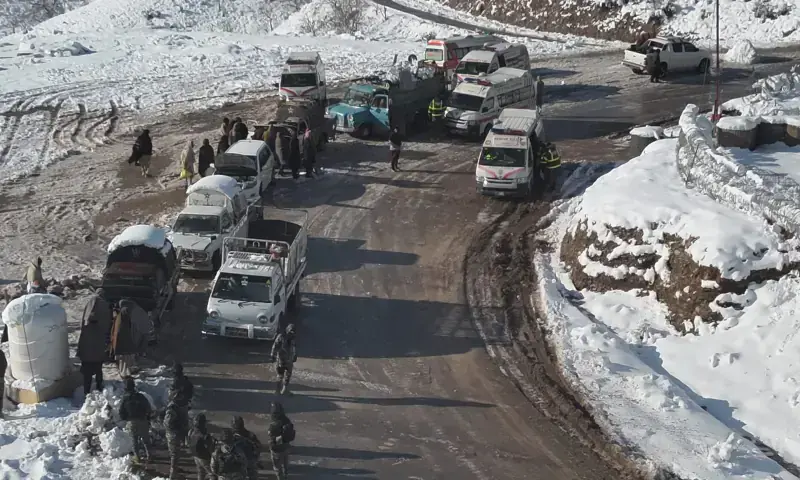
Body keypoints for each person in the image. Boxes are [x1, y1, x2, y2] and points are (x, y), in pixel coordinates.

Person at [77, 304, 108, 397]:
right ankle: (99, 388)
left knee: (87, 376)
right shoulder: (101, 330)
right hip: (98, 357)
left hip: (86, 358)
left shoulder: (85, 330)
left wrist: (79, 353)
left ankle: (86, 392)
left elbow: (81, 343)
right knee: (99, 372)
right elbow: (104, 343)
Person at [119, 377, 152, 464]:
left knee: (134, 440)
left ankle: (137, 457)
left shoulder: (125, 398)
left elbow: (121, 412)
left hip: (132, 422)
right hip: (143, 420)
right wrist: (147, 417)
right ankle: (150, 456)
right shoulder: (140, 396)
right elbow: (148, 408)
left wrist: (126, 419)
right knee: (146, 440)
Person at [268, 402, 295, 480]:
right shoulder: (286, 420)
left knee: (277, 467)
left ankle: (281, 478)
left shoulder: (273, 425)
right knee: (285, 462)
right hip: (286, 446)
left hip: (277, 449)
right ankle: (286, 474)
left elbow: (271, 437)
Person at [168, 362, 194, 444]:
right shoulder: (186, 380)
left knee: (173, 423)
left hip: (175, 405)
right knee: (184, 423)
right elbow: (191, 392)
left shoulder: (175, 381)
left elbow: (171, 394)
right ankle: (184, 441)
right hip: (184, 404)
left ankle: (177, 441)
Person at [270, 324, 297, 395]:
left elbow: (294, 347)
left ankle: (284, 389)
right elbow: (275, 346)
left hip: (289, 360)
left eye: (293, 332)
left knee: (288, 375)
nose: (291, 333)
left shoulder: (293, 338)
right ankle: (277, 391)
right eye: (290, 331)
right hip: (281, 360)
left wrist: (295, 355)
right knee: (280, 375)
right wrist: (272, 355)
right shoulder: (281, 336)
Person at [232, 416, 262, 480]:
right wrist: (256, 458)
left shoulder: (231, 435)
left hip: (240, 461)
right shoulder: (250, 434)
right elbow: (258, 446)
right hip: (249, 459)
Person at [189, 413, 216, 480]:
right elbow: (211, 448)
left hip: (195, 456)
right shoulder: (204, 435)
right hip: (204, 457)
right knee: (212, 474)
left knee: (201, 472)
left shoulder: (191, 431)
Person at [164, 400, 187, 479]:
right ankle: (173, 474)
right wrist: (178, 428)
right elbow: (168, 423)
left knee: (175, 453)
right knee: (175, 454)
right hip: (173, 435)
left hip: (172, 434)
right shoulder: (172, 410)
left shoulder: (173, 408)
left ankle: (175, 469)